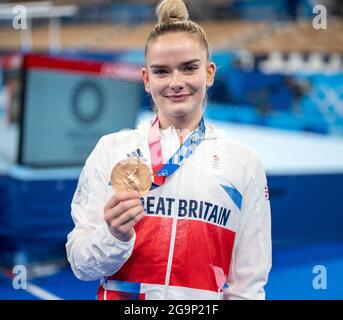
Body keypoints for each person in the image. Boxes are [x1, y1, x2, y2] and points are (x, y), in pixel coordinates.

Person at [66, 0, 272, 300]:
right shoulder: (111, 150)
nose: (176, 82)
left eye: (189, 68)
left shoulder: (243, 162)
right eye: (162, 72)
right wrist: (114, 236)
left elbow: (248, 284)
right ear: (147, 80)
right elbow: (81, 264)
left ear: (210, 73)